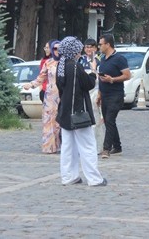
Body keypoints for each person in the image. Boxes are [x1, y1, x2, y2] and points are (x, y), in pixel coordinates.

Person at [55, 36, 107, 186]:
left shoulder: (61, 65)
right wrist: (92, 70)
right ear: (74, 51)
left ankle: (69, 176)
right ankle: (94, 179)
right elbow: (88, 84)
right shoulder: (74, 66)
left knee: (68, 147)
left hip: (65, 111)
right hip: (78, 111)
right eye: (78, 49)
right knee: (88, 145)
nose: (80, 52)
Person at [96, 33, 130, 159]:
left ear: (107, 44)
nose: (99, 46)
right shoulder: (103, 58)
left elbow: (127, 75)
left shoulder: (119, 58)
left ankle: (106, 149)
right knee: (109, 121)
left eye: (101, 44)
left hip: (116, 95)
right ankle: (117, 146)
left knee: (109, 119)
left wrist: (112, 79)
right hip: (104, 94)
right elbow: (100, 78)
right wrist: (99, 94)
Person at [25, 39, 61, 153]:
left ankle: (62, 145)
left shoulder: (66, 62)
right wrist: (31, 85)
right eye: (55, 48)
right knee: (49, 120)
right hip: (50, 94)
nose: (57, 51)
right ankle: (49, 146)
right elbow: (41, 78)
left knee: (60, 121)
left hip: (63, 94)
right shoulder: (48, 63)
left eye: (59, 48)